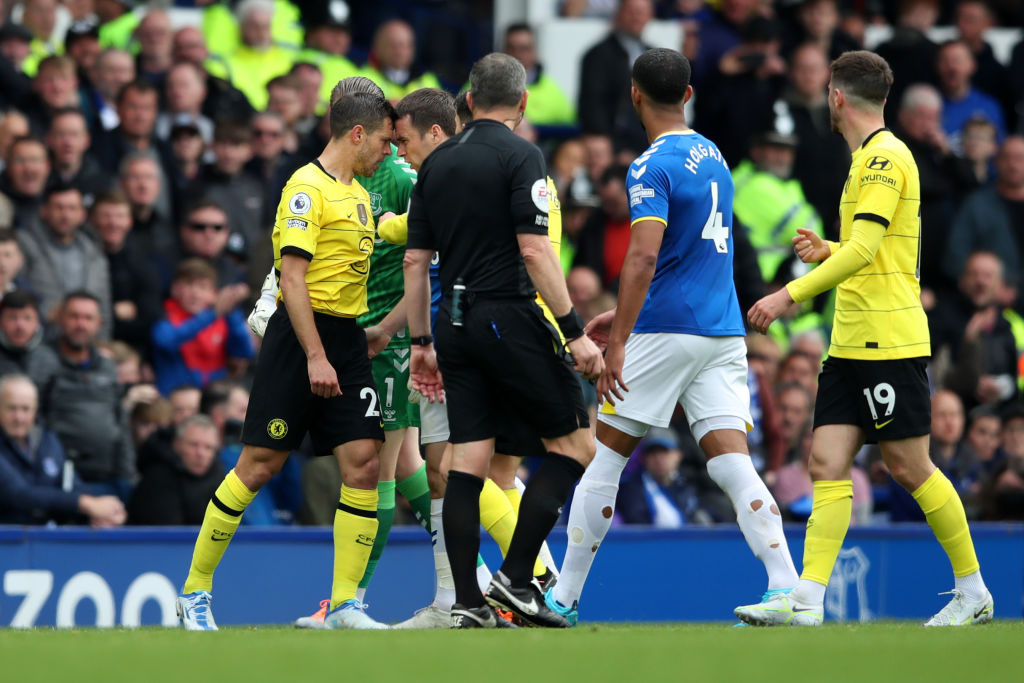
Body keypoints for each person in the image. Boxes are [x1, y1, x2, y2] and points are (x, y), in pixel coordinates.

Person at [741, 50, 992, 627]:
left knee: (910, 467)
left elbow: (865, 250)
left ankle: (973, 589)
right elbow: (875, 250)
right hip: (849, 341)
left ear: (836, 97)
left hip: (888, 338)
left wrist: (788, 294)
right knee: (826, 461)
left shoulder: (883, 159)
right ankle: (808, 600)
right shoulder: (866, 159)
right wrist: (828, 249)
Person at [549, 48, 797, 627]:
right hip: (722, 329)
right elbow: (691, 253)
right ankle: (787, 585)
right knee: (730, 461)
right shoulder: (715, 155)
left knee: (605, 458)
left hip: (667, 328)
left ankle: (563, 598)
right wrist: (621, 315)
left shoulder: (648, 166)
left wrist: (619, 341)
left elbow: (644, 258)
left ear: (634, 95)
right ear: (687, 95)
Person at [175, 90, 396, 631]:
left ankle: (344, 605)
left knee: (364, 462)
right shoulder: (305, 187)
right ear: (358, 134)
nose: (388, 152)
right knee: (259, 466)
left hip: (346, 338)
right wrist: (315, 355)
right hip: (301, 340)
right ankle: (195, 591)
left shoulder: (358, 193)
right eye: (384, 141)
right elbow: (292, 279)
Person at [405, 52, 603, 629]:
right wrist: (573, 332)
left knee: (467, 462)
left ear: (468, 101)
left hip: (453, 325)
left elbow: (416, 261)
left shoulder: (437, 163)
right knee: (576, 447)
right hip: (506, 316)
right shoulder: (523, 155)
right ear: (523, 102)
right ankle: (516, 579)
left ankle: (467, 602)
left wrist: (422, 342)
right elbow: (535, 249)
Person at [0, 374, 126, 526]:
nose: (19, 417)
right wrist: (85, 504)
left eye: (25, 409)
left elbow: (71, 484)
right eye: (11, 408)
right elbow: (19, 495)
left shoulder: (48, 441)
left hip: (48, 534)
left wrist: (98, 513)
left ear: (35, 410)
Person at [44, 291, 135, 499]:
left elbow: (120, 421)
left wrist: (128, 476)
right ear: (60, 319)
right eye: (74, 316)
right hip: (60, 478)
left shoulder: (108, 366)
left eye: (88, 318)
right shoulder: (44, 360)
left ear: (99, 323)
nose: (81, 324)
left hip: (108, 474)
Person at [152, 259, 252, 396]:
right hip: (174, 398)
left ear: (214, 293)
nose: (195, 294)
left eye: (202, 287)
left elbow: (244, 352)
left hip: (213, 398)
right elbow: (166, 341)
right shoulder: (165, 315)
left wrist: (231, 309)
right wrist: (213, 314)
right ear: (175, 289)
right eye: (188, 284)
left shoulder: (223, 319)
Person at [577, 0, 653, 155]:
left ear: (650, 16)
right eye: (631, 11)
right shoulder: (598, 55)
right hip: (612, 145)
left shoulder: (655, 55)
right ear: (619, 14)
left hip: (648, 144)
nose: (636, 17)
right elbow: (592, 102)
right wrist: (606, 142)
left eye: (641, 12)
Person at [128, 414, 225, 525]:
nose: (200, 453)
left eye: (208, 447)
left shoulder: (219, 476)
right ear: (177, 443)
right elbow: (168, 531)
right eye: (193, 445)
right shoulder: (157, 478)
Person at [502, 23, 575, 126]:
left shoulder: (553, 92)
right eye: (511, 48)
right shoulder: (485, 86)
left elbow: (570, 128)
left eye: (524, 48)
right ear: (503, 50)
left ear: (534, 51)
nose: (517, 54)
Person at [0, 289, 59, 390]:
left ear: (37, 322)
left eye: (27, 318)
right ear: (1, 321)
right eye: (12, 317)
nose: (20, 326)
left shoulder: (50, 361)